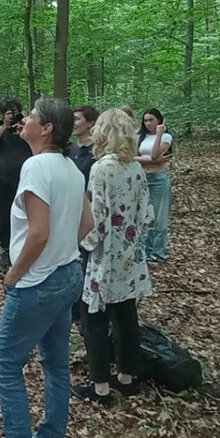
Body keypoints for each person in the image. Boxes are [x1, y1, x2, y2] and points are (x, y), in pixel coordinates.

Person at [0, 98, 92, 438]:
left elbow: (39, 233)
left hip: (37, 283)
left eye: (30, 117)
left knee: (6, 364)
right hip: (67, 275)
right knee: (56, 364)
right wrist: (63, 250)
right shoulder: (72, 169)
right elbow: (87, 224)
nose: (23, 120)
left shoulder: (36, 166)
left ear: (46, 129)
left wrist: (14, 274)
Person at [71, 108, 154, 405]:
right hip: (129, 254)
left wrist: (83, 243)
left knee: (93, 318)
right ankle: (128, 378)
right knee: (126, 315)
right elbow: (146, 214)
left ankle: (101, 387)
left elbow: (97, 218)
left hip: (105, 255)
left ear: (103, 132)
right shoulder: (135, 167)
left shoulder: (101, 168)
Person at [0, 97, 32, 265]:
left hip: (26, 179)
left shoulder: (26, 128)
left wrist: (25, 123)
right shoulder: (2, 130)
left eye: (14, 112)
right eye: (9, 113)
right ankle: (6, 249)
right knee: (4, 214)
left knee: (28, 214)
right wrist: (5, 125)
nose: (13, 116)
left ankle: (26, 248)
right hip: (4, 179)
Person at [136, 109, 172, 262]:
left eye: (151, 120)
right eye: (146, 120)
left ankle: (157, 253)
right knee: (145, 215)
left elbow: (155, 155)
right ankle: (146, 250)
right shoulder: (141, 137)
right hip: (143, 177)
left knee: (159, 217)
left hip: (158, 179)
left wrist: (159, 134)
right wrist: (150, 160)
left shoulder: (165, 137)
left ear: (159, 120)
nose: (148, 123)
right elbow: (132, 156)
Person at [70, 105, 99, 181]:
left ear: (90, 123)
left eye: (76, 119)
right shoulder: (69, 149)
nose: (72, 123)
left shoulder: (99, 150)